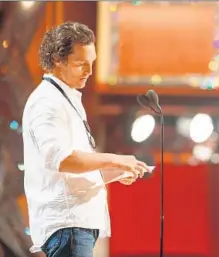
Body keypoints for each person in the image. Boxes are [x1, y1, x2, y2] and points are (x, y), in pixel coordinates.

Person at [22, 21, 150, 257]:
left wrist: (116, 171)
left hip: (74, 226)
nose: (89, 71)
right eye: (81, 64)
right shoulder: (47, 102)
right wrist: (115, 159)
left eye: (92, 63)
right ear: (57, 60)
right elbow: (61, 160)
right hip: (67, 226)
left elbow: (70, 175)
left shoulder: (64, 98)